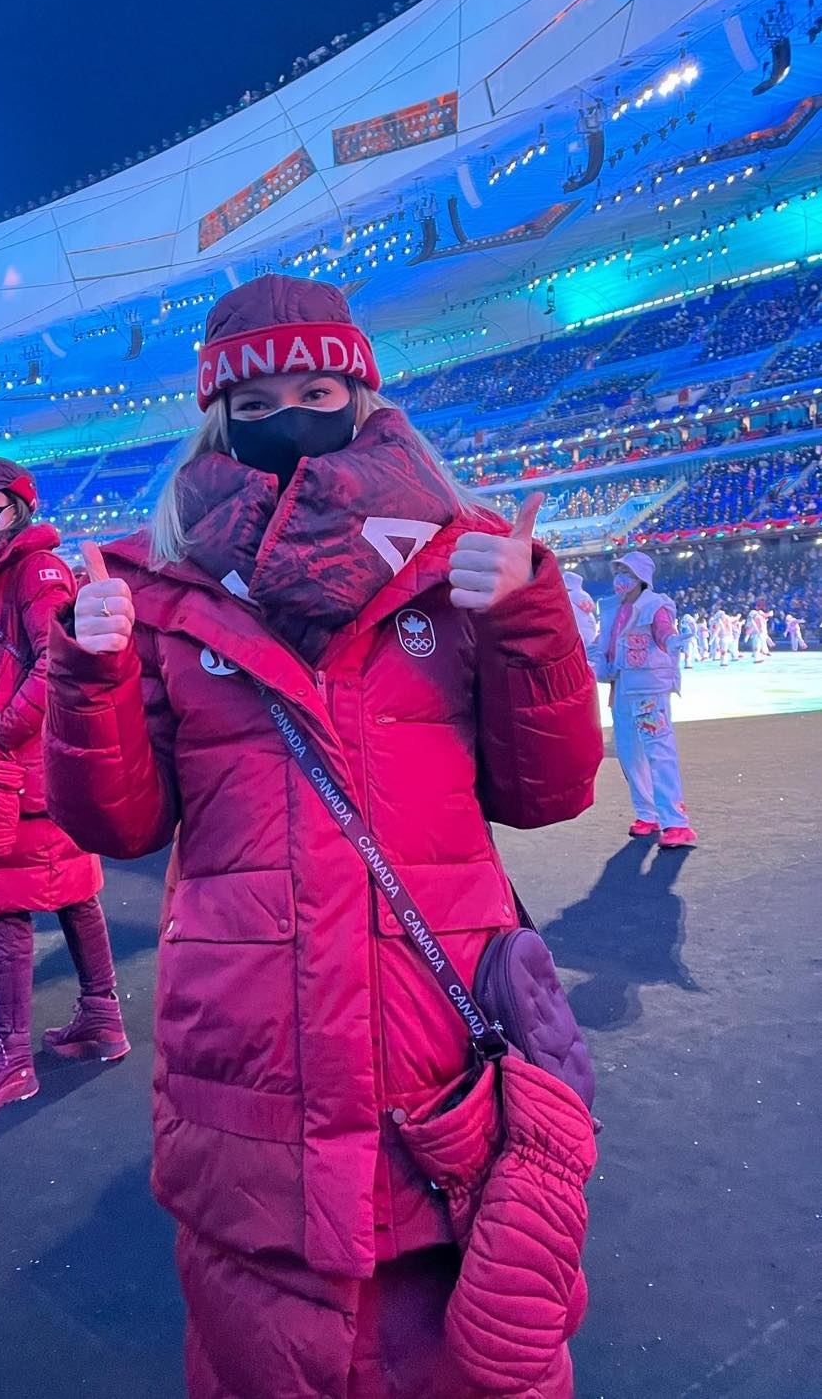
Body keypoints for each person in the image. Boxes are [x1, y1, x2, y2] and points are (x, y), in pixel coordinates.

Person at [43, 277, 603, 1398]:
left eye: (319, 385)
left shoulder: (462, 563)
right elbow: (122, 821)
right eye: (260, 398)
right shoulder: (159, 587)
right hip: (250, 1068)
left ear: (362, 392)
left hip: (440, 1060)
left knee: (478, 1357)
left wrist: (530, 616)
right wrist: (89, 672)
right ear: (218, 416)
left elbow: (549, 792)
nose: (293, 413)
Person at [0, 458, 129, 1117]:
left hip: (13, 767)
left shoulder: (33, 570)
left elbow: (54, 659)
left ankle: (9, 1057)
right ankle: (100, 1019)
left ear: (16, 505)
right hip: (25, 764)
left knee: (1, 898)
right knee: (68, 888)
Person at [590, 551, 698, 849]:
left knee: (658, 751)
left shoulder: (654, 605)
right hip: (621, 685)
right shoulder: (612, 608)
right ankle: (647, 813)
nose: (620, 578)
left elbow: (664, 632)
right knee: (629, 752)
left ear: (640, 577)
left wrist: (674, 641)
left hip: (648, 687)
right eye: (618, 571)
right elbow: (605, 643)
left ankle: (676, 822)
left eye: (626, 571)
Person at [562, 569, 598, 648]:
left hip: (579, 631)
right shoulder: (584, 594)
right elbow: (592, 609)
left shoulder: (567, 596)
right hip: (590, 628)